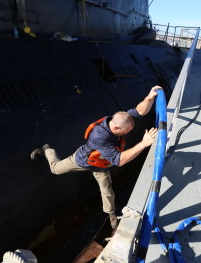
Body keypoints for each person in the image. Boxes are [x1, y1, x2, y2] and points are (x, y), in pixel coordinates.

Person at [30, 86, 161, 229]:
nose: (128, 133)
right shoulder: (100, 136)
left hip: (101, 164)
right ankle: (47, 149)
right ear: (117, 129)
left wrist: (149, 98)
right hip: (82, 161)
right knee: (55, 169)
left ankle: (111, 216)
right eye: (127, 131)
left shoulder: (119, 120)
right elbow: (120, 160)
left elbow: (137, 112)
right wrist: (143, 144)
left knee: (107, 191)